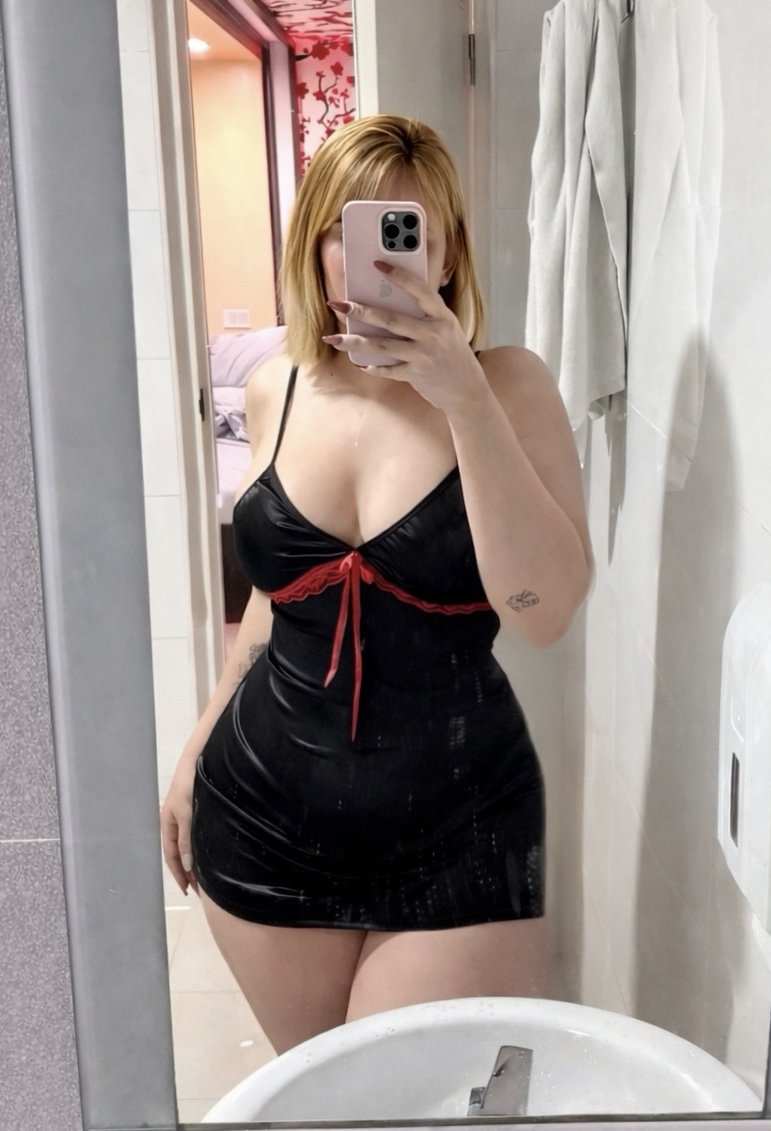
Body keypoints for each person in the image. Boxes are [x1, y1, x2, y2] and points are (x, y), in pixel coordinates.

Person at [160, 114, 593, 1056]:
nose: (382, 259)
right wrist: (197, 743)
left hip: (458, 824)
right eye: (349, 232)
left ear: (447, 254)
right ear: (317, 249)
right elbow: (278, 601)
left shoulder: (512, 388)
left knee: (421, 1101)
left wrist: (464, 399)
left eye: (411, 232)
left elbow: (546, 612)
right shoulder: (275, 387)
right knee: (324, 1098)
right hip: (262, 812)